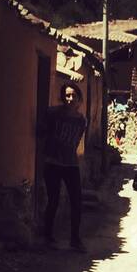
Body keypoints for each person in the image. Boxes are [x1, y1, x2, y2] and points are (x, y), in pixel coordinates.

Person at [38, 82, 87, 252]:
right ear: (62, 97)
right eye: (67, 95)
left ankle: (75, 239)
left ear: (79, 98)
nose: (70, 99)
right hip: (52, 163)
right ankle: (48, 237)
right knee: (53, 200)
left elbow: (75, 142)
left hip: (71, 163)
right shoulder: (52, 113)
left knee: (76, 202)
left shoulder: (81, 120)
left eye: (73, 95)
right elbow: (41, 130)